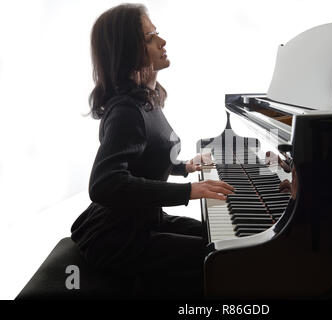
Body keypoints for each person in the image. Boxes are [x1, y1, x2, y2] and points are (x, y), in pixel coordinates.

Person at [70, 3, 234, 299]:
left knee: (222, 239)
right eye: (150, 37)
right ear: (128, 48)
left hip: (145, 220)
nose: (162, 41)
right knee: (222, 259)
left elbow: (145, 155)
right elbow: (105, 184)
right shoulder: (127, 111)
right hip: (116, 237)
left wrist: (183, 167)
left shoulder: (147, 99)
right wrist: (188, 191)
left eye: (156, 33)